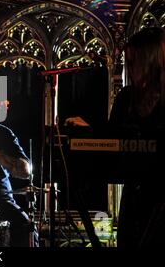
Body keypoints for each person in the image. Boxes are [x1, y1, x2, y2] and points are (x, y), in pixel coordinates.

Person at [66, 27, 165, 247]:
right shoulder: (126, 97)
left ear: (150, 61)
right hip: (134, 198)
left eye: (134, 62)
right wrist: (90, 133)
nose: (129, 69)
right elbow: (113, 144)